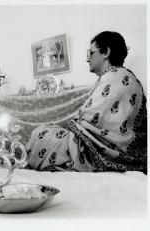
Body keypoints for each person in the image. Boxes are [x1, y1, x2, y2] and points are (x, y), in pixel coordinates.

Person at [26, 31, 147, 173]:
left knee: (41, 134)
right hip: (95, 142)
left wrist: (69, 126)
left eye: (91, 53)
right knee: (48, 131)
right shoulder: (116, 76)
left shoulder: (115, 78)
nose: (87, 59)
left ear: (106, 52)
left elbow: (91, 123)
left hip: (102, 150)